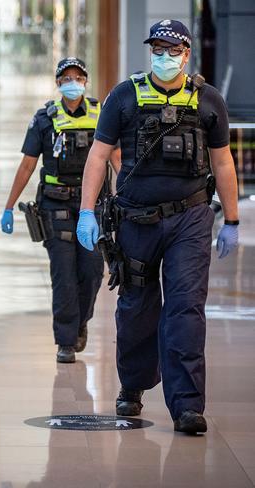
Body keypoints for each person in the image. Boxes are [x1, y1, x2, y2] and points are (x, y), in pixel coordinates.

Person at [76, 20, 238, 434]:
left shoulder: (208, 100)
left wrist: (232, 220)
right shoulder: (124, 96)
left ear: (187, 54)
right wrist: (87, 211)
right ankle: (132, 386)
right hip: (135, 219)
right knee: (136, 308)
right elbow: (98, 156)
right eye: (158, 49)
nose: (164, 57)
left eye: (173, 50)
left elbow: (222, 162)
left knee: (185, 308)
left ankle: (187, 405)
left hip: (191, 218)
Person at [1, 58, 119, 363]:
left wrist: (125, 195)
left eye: (78, 77)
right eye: (66, 77)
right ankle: (65, 341)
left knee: (92, 272)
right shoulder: (44, 119)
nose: (72, 82)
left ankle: (80, 322)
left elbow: (116, 158)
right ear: (57, 82)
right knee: (64, 275)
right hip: (55, 205)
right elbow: (28, 163)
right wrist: (8, 205)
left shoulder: (101, 114)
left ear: (86, 80)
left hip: (92, 205)